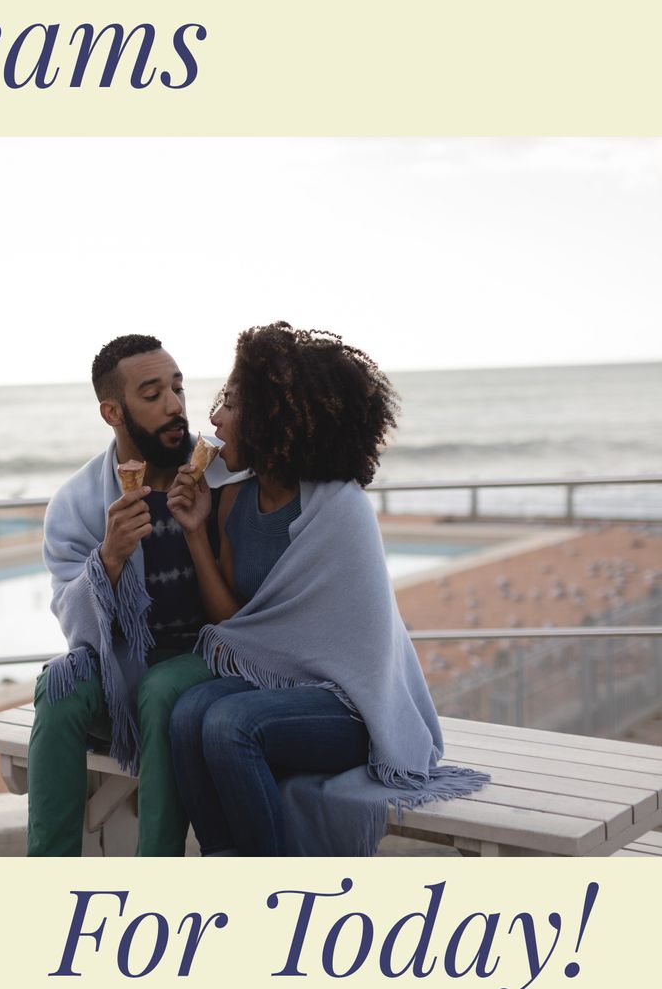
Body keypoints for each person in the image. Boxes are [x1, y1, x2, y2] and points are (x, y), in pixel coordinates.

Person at [166, 323, 489, 856]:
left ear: (274, 418)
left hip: (352, 708)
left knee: (227, 723)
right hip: (278, 690)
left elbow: (360, 655)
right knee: (185, 713)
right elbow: (234, 625)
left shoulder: (339, 509)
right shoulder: (230, 502)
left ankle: (270, 885)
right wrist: (196, 531)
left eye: (231, 403)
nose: (214, 417)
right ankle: (227, 866)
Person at [27, 334, 239, 856]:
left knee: (162, 689)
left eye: (178, 388)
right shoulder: (77, 503)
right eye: (152, 395)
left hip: (208, 658)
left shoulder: (223, 477)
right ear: (112, 411)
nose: (174, 406)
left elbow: (254, 597)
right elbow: (77, 631)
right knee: (58, 684)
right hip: (124, 664)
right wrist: (109, 560)